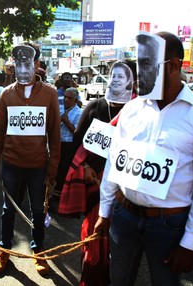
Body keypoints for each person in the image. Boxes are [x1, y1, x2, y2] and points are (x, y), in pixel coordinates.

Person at [94, 32, 193, 285]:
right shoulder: (132, 109)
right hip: (124, 217)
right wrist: (105, 210)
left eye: (147, 66)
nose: (139, 74)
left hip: (168, 225)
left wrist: (191, 242)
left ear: (174, 66)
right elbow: (115, 162)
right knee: (118, 280)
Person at [59, 60, 136, 286]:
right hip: (94, 184)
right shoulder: (94, 107)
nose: (117, 80)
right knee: (94, 242)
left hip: (127, 191)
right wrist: (85, 167)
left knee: (123, 250)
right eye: (114, 75)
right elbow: (77, 143)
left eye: (124, 76)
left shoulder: (141, 111)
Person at [0, 43, 61, 276]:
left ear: (37, 65)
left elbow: (55, 135)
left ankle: (38, 251)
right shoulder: (6, 93)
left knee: (38, 211)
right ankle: (4, 249)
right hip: (11, 164)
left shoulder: (50, 93)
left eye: (27, 63)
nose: (22, 68)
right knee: (8, 209)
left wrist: (54, 168)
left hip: (38, 166)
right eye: (17, 63)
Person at [53, 87, 82, 199]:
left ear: (75, 100)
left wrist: (66, 121)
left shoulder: (79, 113)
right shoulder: (59, 108)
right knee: (55, 168)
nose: (66, 99)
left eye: (69, 98)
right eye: (65, 96)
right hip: (57, 143)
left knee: (64, 170)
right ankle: (53, 191)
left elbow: (77, 133)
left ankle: (61, 194)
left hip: (68, 145)